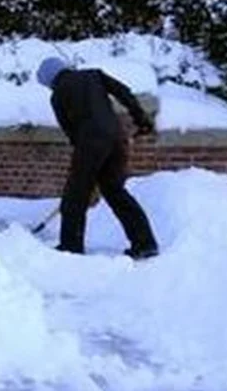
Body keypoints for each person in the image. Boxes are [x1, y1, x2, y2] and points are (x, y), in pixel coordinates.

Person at [34, 56, 160, 260]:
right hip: (116, 138)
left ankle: (70, 247)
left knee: (75, 195)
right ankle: (145, 243)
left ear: (51, 80)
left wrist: (84, 167)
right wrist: (141, 120)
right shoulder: (94, 75)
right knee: (115, 191)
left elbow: (71, 131)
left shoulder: (57, 96)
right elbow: (124, 93)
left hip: (90, 142)